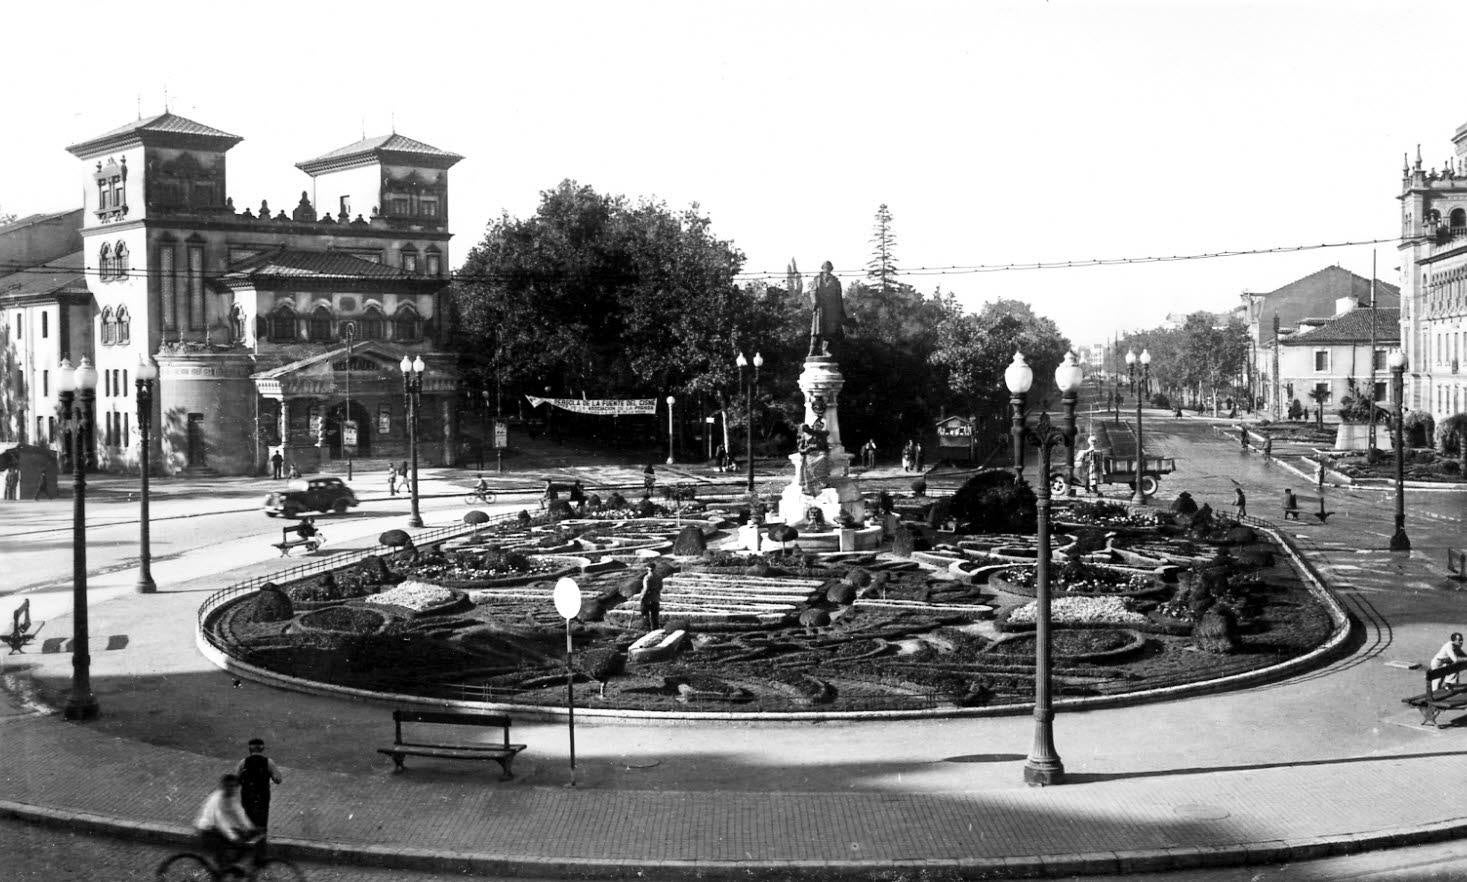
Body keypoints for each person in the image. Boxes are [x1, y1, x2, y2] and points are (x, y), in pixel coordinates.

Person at [194, 774, 259, 871]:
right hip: (208, 829)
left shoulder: (231, 798)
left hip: (219, 828)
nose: (232, 789)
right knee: (229, 845)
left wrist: (251, 828)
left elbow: (240, 813)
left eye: (234, 786)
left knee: (242, 840)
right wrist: (233, 837)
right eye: (229, 786)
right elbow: (221, 821)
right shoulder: (217, 799)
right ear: (223, 786)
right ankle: (223, 869)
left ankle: (229, 866)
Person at [236, 739, 283, 835]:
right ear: (262, 748)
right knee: (262, 820)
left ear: (250, 748)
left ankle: (248, 841)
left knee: (248, 818)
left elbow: (236, 780)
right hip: (262, 795)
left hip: (247, 795)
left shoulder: (243, 762)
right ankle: (261, 843)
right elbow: (278, 780)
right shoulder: (269, 762)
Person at [807, 260, 846, 357]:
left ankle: (825, 350)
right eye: (825, 267)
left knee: (829, 331)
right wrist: (814, 302)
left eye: (829, 268)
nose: (827, 269)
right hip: (820, 308)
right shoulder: (817, 279)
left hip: (831, 309)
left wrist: (841, 311)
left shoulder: (836, 281)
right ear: (823, 268)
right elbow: (812, 291)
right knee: (816, 331)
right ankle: (812, 351)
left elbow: (839, 297)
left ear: (831, 269)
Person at [639, 560, 664, 631]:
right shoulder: (659, 577)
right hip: (656, 598)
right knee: (655, 617)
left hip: (647, 599)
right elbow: (660, 587)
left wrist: (642, 597)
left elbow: (646, 589)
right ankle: (655, 631)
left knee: (645, 615)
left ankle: (647, 630)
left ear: (647, 568)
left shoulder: (647, 578)